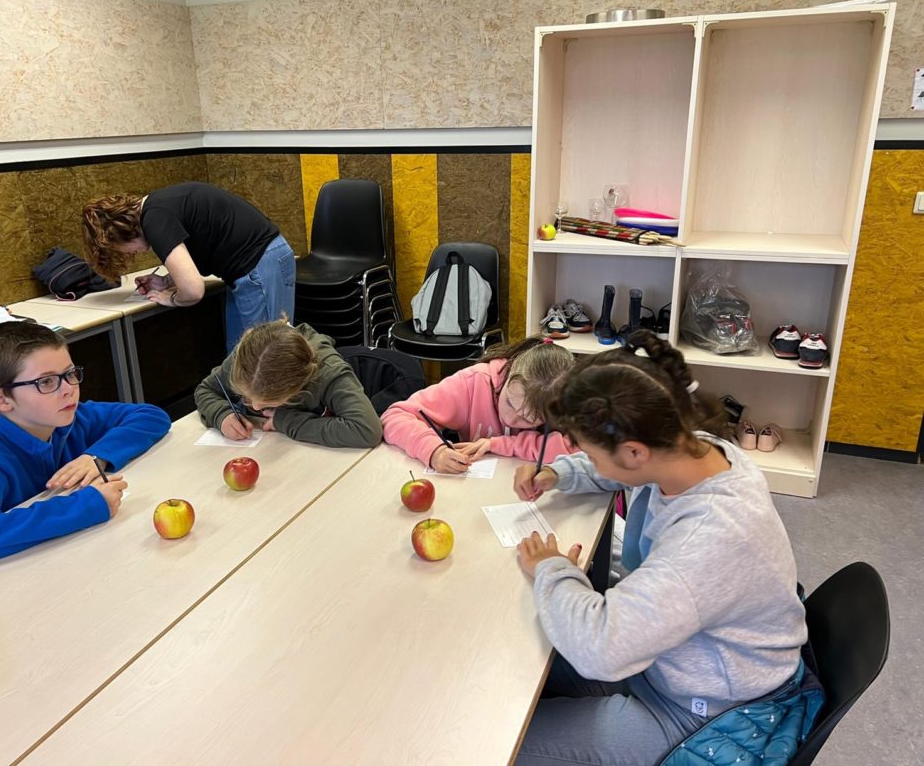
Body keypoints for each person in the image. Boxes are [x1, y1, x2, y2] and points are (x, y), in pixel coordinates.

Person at [511, 330, 809, 766]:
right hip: (675, 664)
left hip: (704, 711)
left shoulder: (705, 541)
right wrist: (560, 473)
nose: (591, 463)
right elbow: (622, 467)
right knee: (518, 665)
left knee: (502, 742)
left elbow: (600, 648)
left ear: (634, 452)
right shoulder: (696, 449)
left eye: (591, 454)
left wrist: (554, 569)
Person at [0, 323, 171, 570]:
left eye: (70, 374)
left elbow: (151, 416)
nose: (69, 390)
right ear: (1, 400)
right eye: (46, 382)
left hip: (76, 557)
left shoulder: (66, 418)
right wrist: (87, 505)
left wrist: (96, 456)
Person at [81, 181, 295, 351]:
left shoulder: (154, 221)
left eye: (120, 249)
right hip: (257, 263)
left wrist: (171, 298)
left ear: (118, 233)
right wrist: (167, 281)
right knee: (240, 357)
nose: (130, 253)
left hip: (260, 265)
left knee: (265, 359)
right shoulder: (160, 205)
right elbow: (199, 248)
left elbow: (193, 291)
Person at [381, 336, 574, 473]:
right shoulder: (474, 382)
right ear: (510, 370)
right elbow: (395, 416)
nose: (510, 419)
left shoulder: (567, 400)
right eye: (509, 402)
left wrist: (501, 444)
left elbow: (583, 451)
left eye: (527, 419)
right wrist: (434, 451)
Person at [194, 320, 382, 449]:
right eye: (246, 396)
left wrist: (288, 422)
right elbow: (206, 390)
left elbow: (367, 430)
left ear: (297, 385)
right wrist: (221, 415)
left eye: (269, 401)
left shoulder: (327, 373)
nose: (256, 407)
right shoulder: (247, 360)